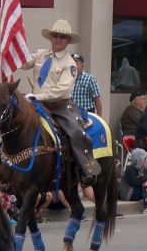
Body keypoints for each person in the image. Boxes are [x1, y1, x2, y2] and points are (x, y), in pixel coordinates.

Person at [19, 19, 100, 186]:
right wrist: (14, 51)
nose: (58, 39)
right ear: (50, 37)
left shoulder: (69, 63)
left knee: (75, 132)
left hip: (59, 106)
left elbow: (61, 90)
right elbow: (24, 64)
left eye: (62, 37)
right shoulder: (40, 54)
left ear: (68, 41)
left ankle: (85, 169)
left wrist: (36, 97)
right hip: (35, 103)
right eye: (55, 36)